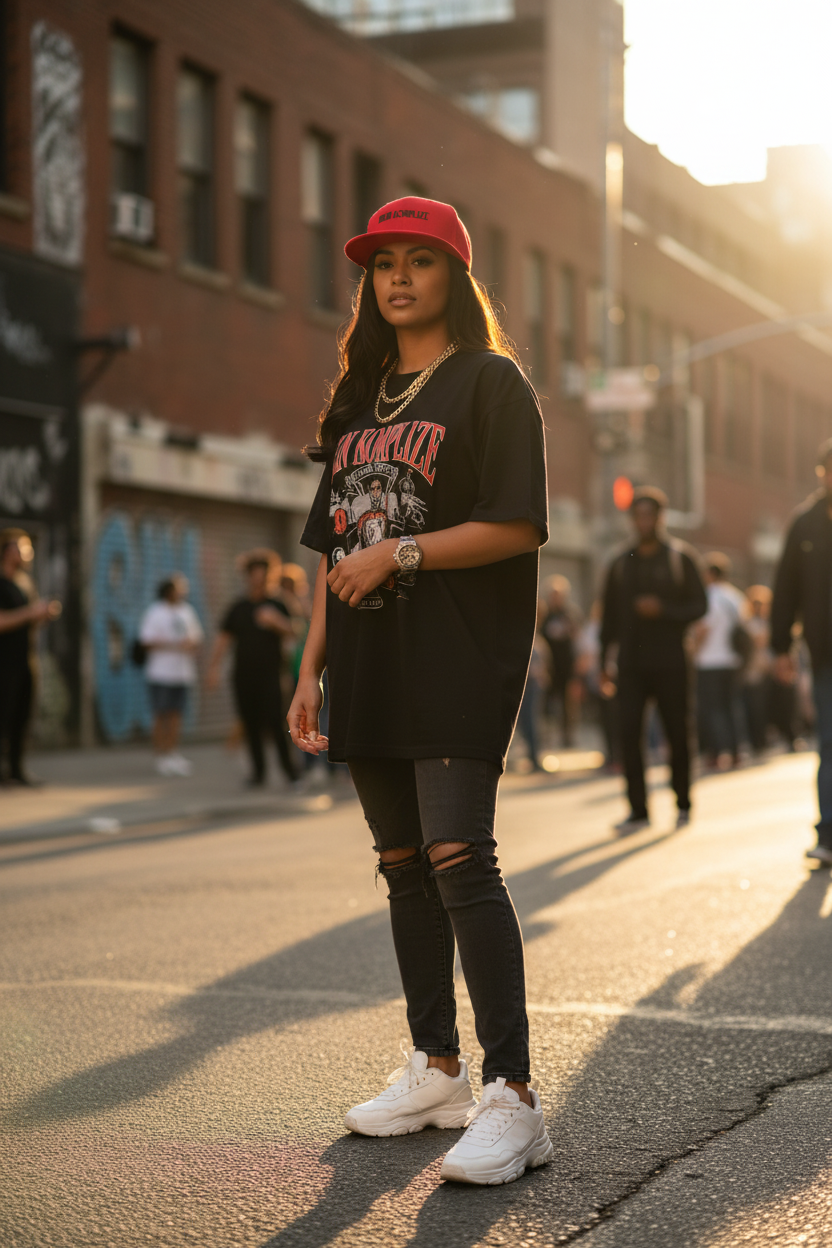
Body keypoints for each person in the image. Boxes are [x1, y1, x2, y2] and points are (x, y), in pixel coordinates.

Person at [288, 196, 553, 1185]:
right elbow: (326, 554)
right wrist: (308, 671)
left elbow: (518, 525)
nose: (398, 277)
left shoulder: (490, 385)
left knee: (457, 857)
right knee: (401, 862)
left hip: (455, 655)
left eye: (420, 261)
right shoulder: (359, 404)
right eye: (382, 263)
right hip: (364, 663)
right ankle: (436, 1069)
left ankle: (514, 1095)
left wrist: (399, 550)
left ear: (455, 277)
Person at [600, 487, 707, 834]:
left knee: (678, 733)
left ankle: (683, 804)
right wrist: (605, 661)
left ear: (661, 518)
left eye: (650, 515)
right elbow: (609, 619)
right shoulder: (620, 562)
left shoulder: (680, 557)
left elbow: (700, 606)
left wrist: (664, 610)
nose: (644, 521)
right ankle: (638, 811)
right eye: (638, 515)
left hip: (672, 662)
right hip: (631, 665)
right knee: (628, 735)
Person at [771, 439, 832, 865]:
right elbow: (785, 587)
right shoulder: (805, 523)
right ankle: (827, 833)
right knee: (829, 742)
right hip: (825, 653)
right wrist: (780, 647)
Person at [207, 549, 299, 787]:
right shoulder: (238, 607)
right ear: (247, 576)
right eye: (253, 574)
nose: (258, 579)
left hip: (273, 675)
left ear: (270, 575)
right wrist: (213, 668)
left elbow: (295, 631)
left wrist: (276, 622)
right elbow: (223, 639)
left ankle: (291, 772)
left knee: (277, 723)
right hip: (243, 675)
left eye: (263, 574)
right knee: (250, 724)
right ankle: (258, 774)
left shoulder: (278, 604)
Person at [0, 531, 61, 785]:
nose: (28, 554)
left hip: (26, 659)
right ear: (8, 552)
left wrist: (42, 615)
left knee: (22, 716)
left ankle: (16, 770)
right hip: (4, 662)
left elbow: (28, 619)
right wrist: (30, 613)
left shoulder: (25, 583)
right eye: (23, 549)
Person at [139, 574, 204, 776]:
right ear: (168, 591)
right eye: (178, 588)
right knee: (161, 713)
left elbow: (197, 637)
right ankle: (160, 755)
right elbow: (145, 641)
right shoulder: (155, 612)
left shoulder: (187, 611)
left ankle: (172, 752)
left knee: (176, 714)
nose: (183, 592)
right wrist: (173, 645)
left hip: (182, 673)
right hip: (160, 673)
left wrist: (190, 644)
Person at [693, 553, 747, 770]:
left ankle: (716, 753)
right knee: (731, 706)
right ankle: (735, 751)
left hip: (710, 660)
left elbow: (703, 629)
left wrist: (693, 652)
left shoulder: (709, 597)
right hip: (733, 660)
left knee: (712, 709)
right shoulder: (735, 597)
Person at [540, 574, 580, 747]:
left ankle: (568, 738)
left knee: (568, 705)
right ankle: (545, 739)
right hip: (549, 668)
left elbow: (579, 640)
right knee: (546, 704)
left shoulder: (571, 615)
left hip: (567, 667)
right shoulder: (544, 616)